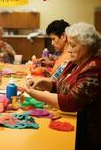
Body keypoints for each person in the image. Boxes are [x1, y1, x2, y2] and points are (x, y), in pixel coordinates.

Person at [24, 22, 101, 150]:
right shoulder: (75, 62)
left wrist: (37, 95)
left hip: (86, 132)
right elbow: (60, 84)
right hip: (73, 122)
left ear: (88, 46)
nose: (69, 49)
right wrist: (43, 83)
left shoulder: (95, 67)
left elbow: (71, 102)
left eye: (73, 45)